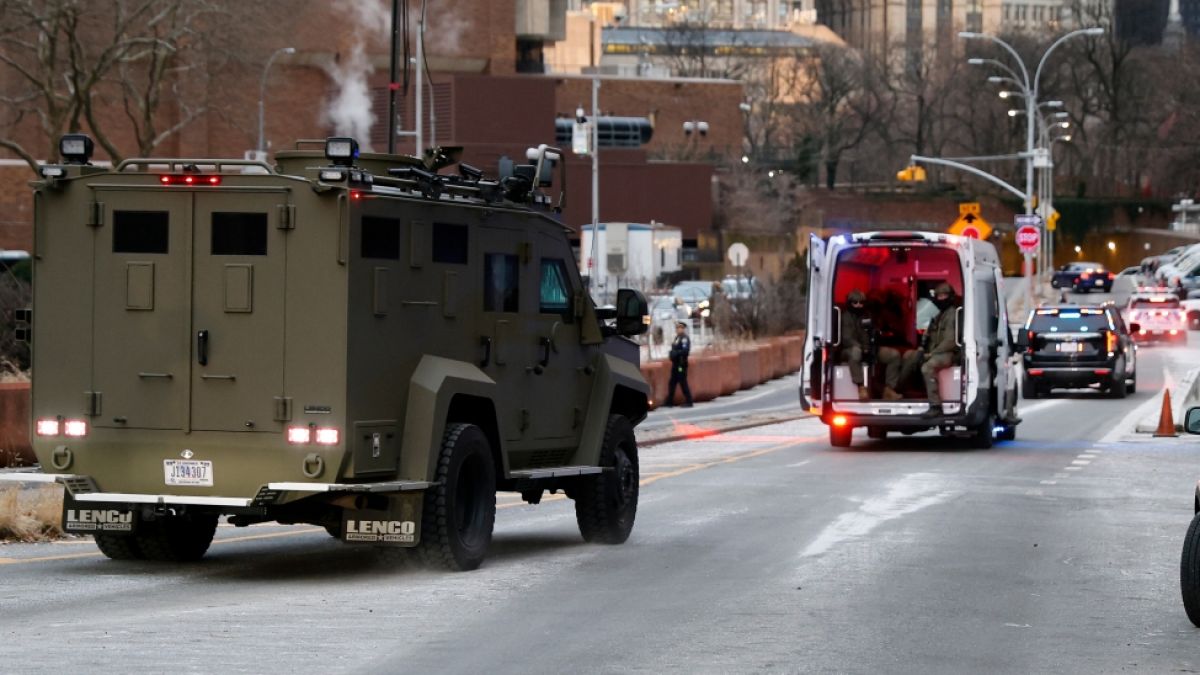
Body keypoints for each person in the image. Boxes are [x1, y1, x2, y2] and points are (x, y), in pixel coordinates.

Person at [901, 282, 961, 418]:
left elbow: (950, 342)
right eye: (939, 296)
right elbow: (927, 334)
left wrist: (931, 354)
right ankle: (897, 390)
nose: (941, 298)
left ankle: (935, 406)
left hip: (949, 353)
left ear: (950, 297)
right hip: (935, 351)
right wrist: (922, 347)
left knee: (928, 367)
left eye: (944, 295)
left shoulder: (952, 315)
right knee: (910, 356)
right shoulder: (938, 315)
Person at [873, 298, 919, 401]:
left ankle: (892, 389)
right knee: (897, 355)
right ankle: (891, 389)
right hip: (877, 346)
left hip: (889, 343)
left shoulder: (888, 316)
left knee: (904, 355)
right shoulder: (877, 316)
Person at [837, 290, 871, 400]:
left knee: (892, 355)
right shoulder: (845, 317)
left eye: (861, 302)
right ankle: (860, 386)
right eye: (855, 302)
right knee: (856, 352)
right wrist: (862, 348)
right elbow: (846, 338)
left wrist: (867, 347)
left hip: (864, 347)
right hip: (846, 350)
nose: (858, 305)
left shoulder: (865, 316)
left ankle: (887, 389)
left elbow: (867, 334)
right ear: (850, 303)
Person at [667, 321, 693, 407]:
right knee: (672, 383)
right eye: (677, 328)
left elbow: (685, 351)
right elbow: (674, 348)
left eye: (680, 328)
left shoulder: (684, 338)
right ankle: (669, 401)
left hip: (681, 364)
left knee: (682, 382)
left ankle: (689, 401)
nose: (678, 330)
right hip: (675, 363)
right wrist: (671, 353)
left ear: (683, 329)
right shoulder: (677, 338)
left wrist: (676, 353)